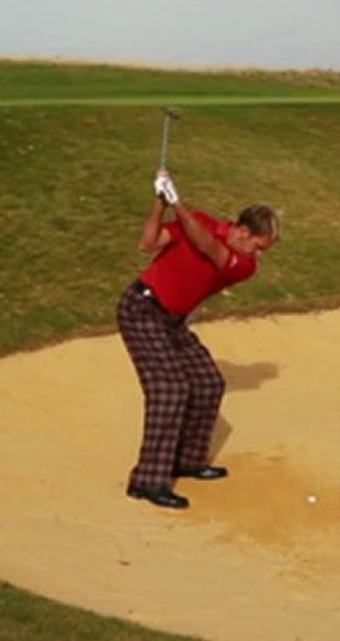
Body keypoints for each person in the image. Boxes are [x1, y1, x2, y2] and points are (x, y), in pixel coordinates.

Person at [116, 169, 279, 509]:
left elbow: (207, 246)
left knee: (208, 382)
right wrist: (160, 204)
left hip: (172, 322)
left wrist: (177, 201)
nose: (259, 255)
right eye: (258, 245)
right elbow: (147, 243)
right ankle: (147, 481)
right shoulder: (201, 222)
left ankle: (188, 461)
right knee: (171, 388)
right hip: (141, 309)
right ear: (243, 231)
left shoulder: (242, 264)